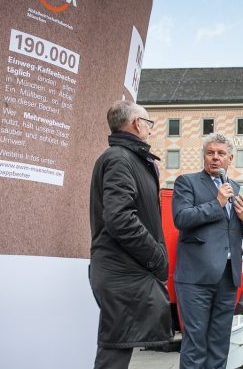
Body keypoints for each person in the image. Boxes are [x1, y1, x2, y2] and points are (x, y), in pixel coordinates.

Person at [89, 101, 171, 369]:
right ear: (137, 124)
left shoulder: (127, 158)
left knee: (118, 349)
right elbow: (120, 218)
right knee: (114, 353)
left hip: (124, 271)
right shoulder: (120, 159)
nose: (150, 129)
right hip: (122, 272)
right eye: (149, 123)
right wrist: (157, 258)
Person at [172, 133, 243, 369]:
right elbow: (181, 218)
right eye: (210, 153)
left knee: (220, 342)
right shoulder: (186, 182)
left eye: (221, 154)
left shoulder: (239, 189)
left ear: (230, 158)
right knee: (195, 341)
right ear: (204, 156)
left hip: (228, 277)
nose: (215, 158)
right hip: (195, 278)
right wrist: (217, 203)